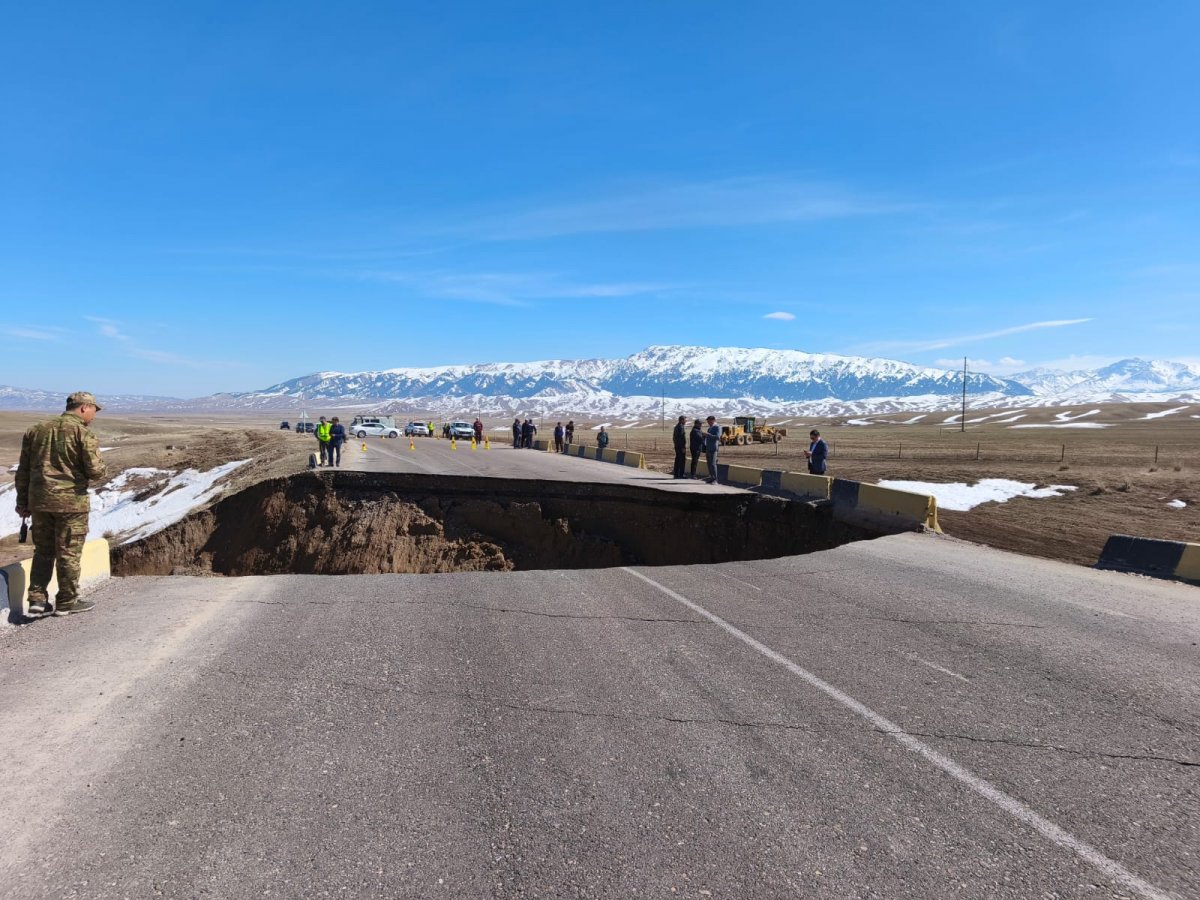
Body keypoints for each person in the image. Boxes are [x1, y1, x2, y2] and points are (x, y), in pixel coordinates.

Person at [14, 391, 108, 616]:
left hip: (40, 502)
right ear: (84, 407)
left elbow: (23, 469)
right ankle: (67, 601)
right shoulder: (83, 433)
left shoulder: (36, 430)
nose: (94, 415)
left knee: (43, 551)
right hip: (71, 504)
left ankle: (37, 600)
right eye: (94, 410)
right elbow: (96, 471)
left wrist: (22, 501)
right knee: (68, 553)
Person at [703, 416, 721, 483]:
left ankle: (715, 479)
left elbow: (717, 437)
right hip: (708, 448)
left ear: (713, 420)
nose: (708, 422)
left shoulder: (717, 427)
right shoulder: (709, 428)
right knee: (709, 464)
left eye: (709, 421)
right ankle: (711, 478)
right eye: (708, 421)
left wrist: (708, 435)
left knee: (713, 464)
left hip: (713, 448)